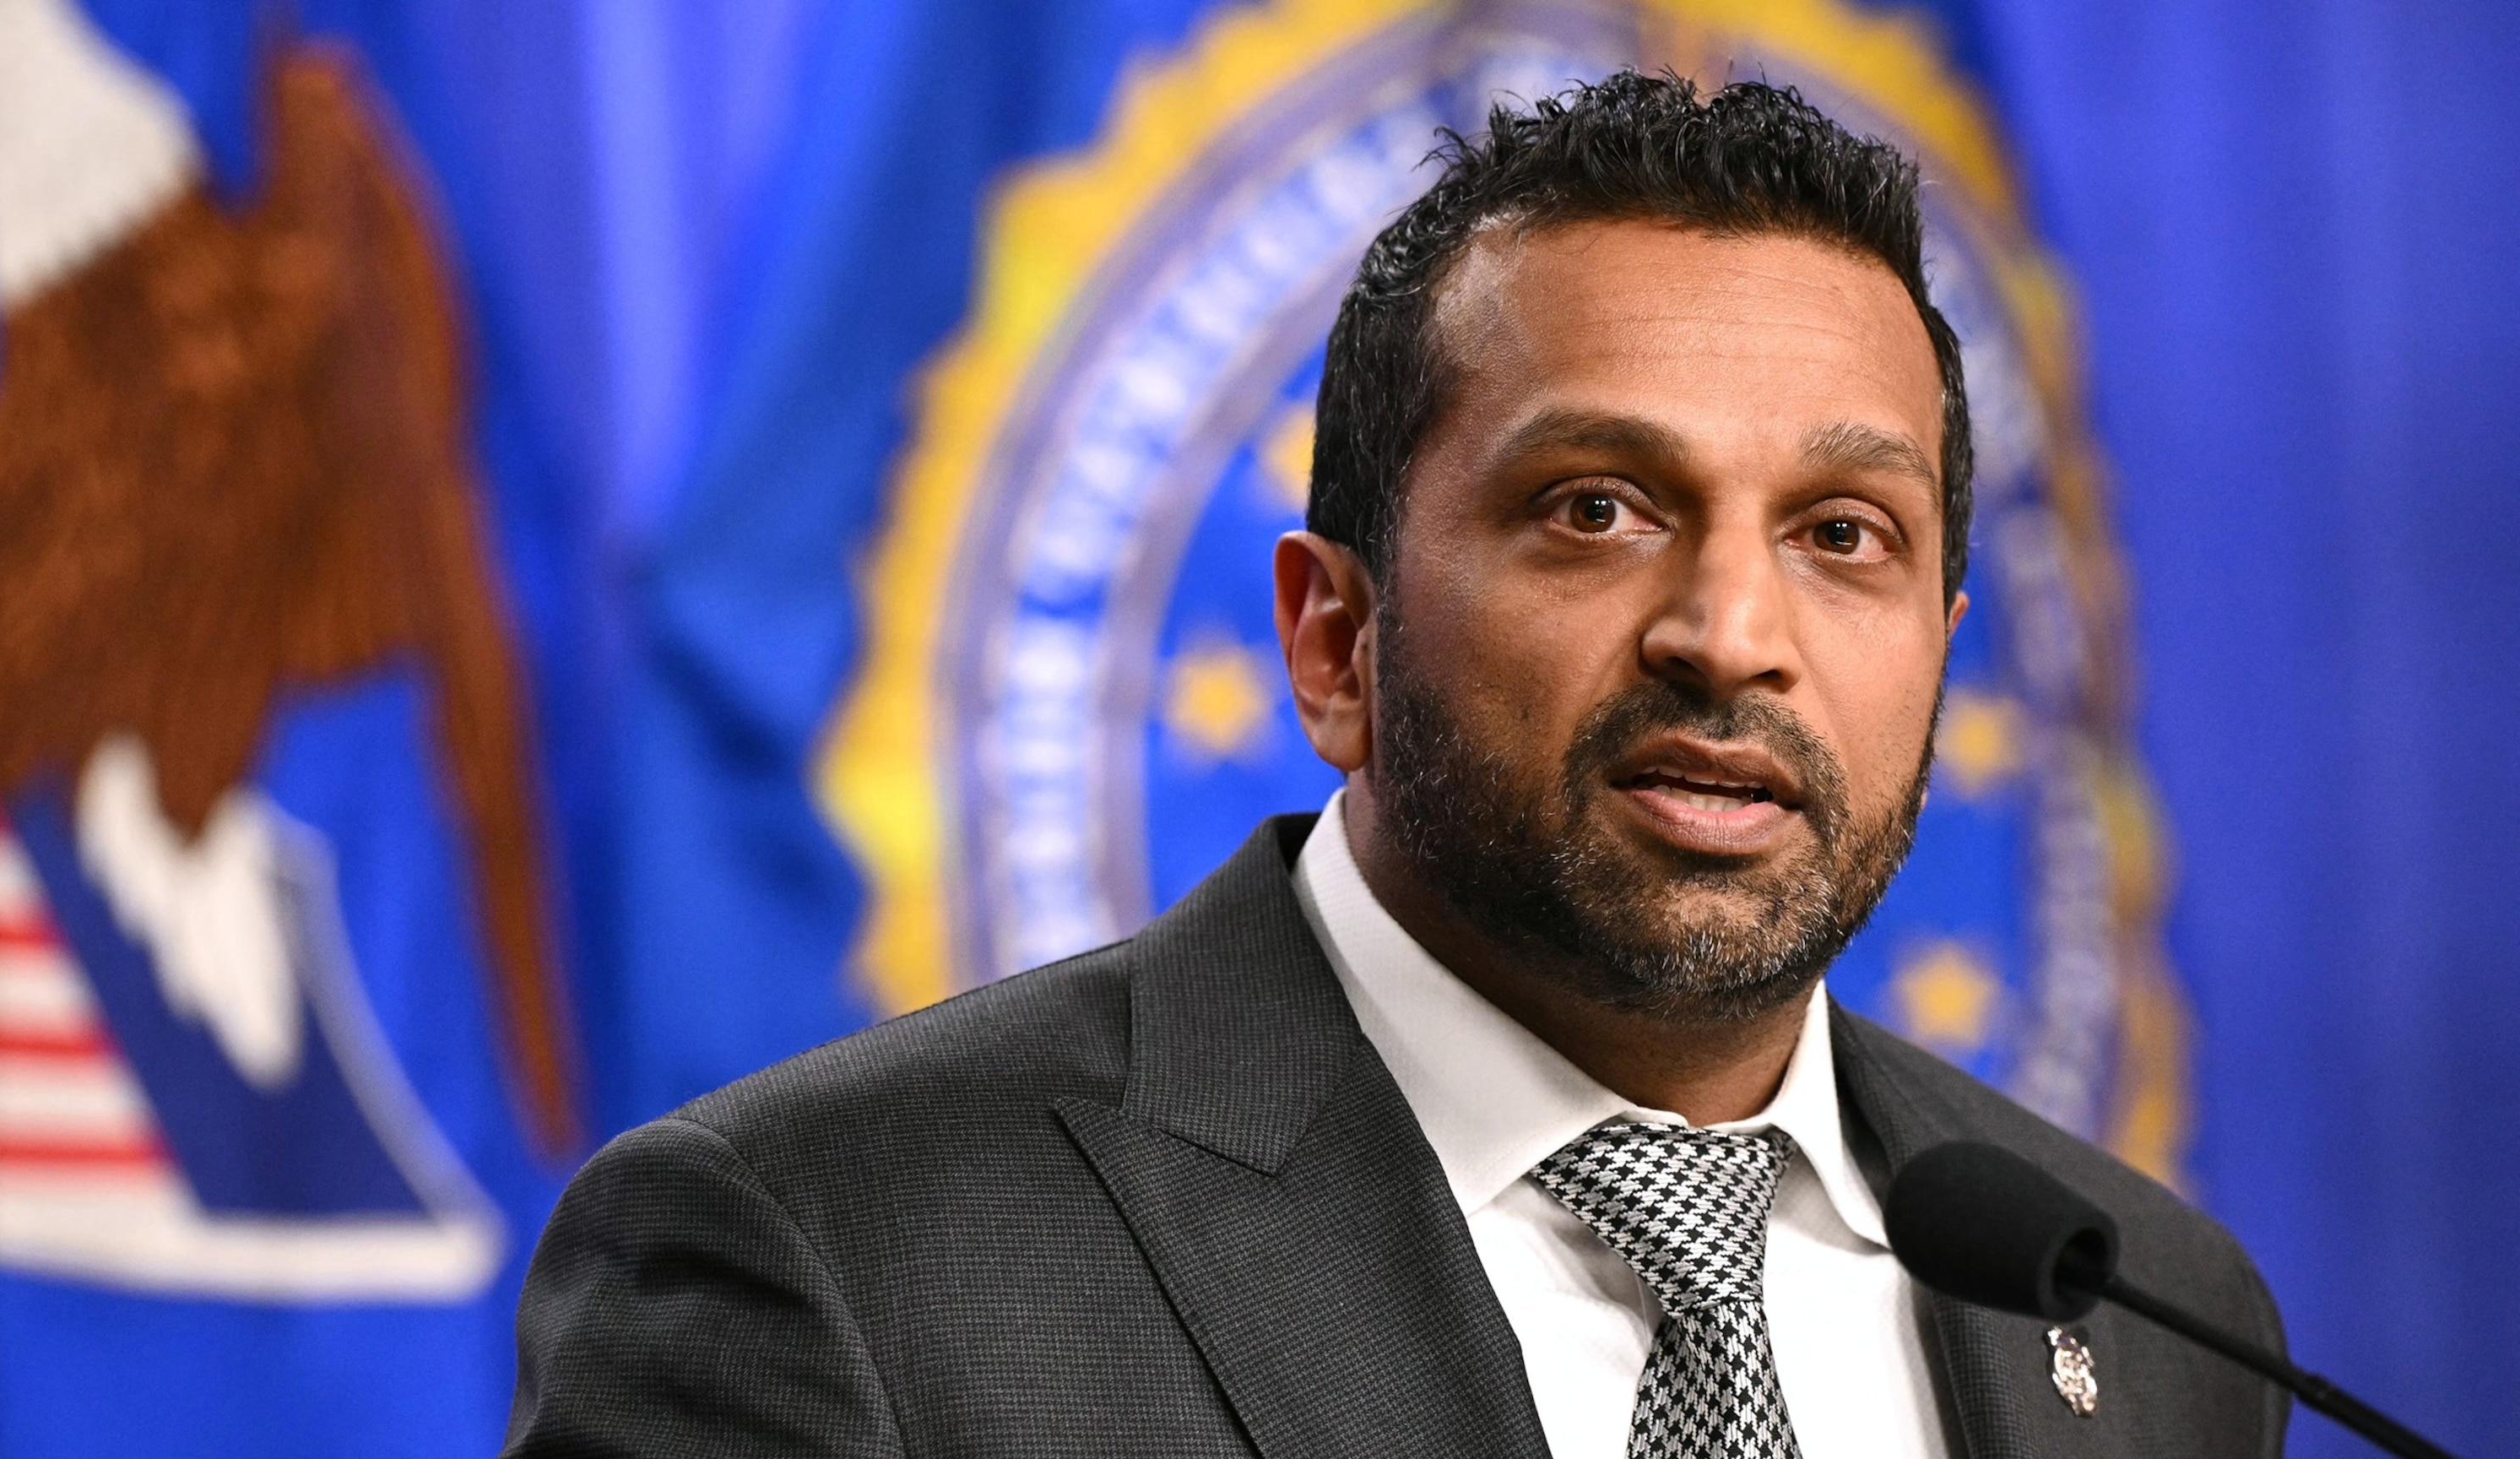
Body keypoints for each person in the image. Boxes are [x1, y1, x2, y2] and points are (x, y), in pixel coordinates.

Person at [503, 73, 2286, 1458]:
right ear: (1335, 640)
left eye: (1841, 533)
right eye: (1597, 509)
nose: (1733, 633)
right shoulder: (826, 1261)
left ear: (1945, 648)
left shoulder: (2147, 1317)